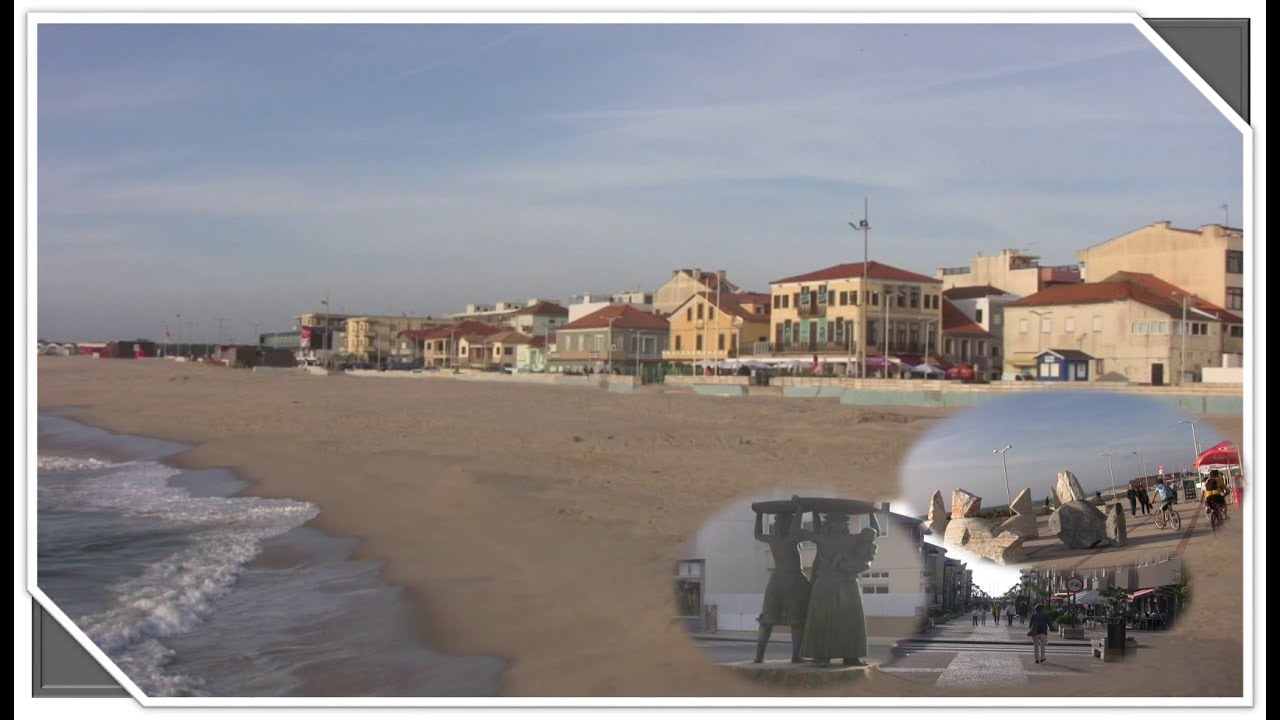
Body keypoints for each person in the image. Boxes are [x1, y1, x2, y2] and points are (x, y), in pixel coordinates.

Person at [792, 504, 878, 667]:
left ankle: (851, 655)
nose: (839, 524)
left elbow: (875, 533)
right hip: (826, 582)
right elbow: (796, 532)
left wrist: (871, 513)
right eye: (835, 521)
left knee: (852, 619)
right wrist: (800, 510)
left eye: (842, 521)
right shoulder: (822, 538)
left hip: (848, 583)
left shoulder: (853, 539)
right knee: (824, 618)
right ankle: (822, 655)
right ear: (829, 524)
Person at [752, 510, 811, 664]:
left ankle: (759, 657)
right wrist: (799, 510)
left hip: (777, 580)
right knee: (797, 621)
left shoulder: (773, 539)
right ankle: (795, 656)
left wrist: (759, 515)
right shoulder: (792, 537)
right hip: (794, 580)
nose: (776, 526)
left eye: (777, 523)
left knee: (767, 619)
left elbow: (757, 534)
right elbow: (796, 529)